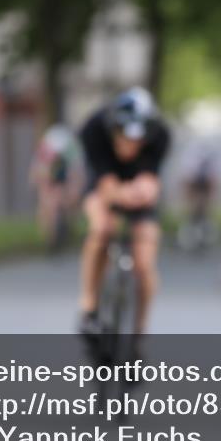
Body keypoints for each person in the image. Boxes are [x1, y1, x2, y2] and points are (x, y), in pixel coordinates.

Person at [77, 87, 170, 341]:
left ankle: (138, 334)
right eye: (123, 137)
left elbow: (151, 182)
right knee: (101, 229)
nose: (129, 146)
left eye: (137, 141)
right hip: (103, 184)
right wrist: (120, 194)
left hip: (138, 190)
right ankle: (89, 306)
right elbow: (104, 185)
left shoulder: (161, 135)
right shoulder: (93, 129)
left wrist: (143, 191)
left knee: (145, 262)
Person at [29, 123, 82, 251]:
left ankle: (68, 222)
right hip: (49, 173)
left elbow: (77, 174)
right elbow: (37, 172)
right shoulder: (45, 150)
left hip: (65, 173)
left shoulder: (71, 150)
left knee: (69, 197)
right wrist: (40, 186)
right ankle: (48, 236)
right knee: (47, 202)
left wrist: (73, 191)